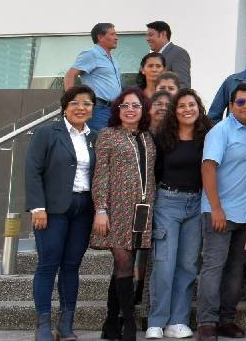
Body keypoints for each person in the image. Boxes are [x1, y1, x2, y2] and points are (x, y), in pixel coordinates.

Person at [26, 86, 99, 341]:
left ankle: (65, 324)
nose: (81, 108)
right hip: (52, 210)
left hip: (83, 210)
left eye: (87, 104)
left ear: (93, 109)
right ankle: (43, 325)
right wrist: (38, 207)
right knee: (48, 265)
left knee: (71, 266)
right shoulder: (48, 132)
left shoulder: (94, 137)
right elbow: (32, 170)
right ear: (65, 107)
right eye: (75, 103)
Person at [196, 84, 246, 341]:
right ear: (231, 106)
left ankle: (226, 319)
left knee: (236, 269)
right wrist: (215, 208)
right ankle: (206, 322)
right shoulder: (220, 132)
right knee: (214, 267)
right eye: (240, 102)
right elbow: (208, 169)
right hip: (219, 212)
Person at [90, 87, 157, 341]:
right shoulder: (107, 135)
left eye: (136, 105)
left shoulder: (147, 137)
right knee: (124, 262)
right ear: (118, 109)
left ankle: (110, 322)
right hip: (115, 209)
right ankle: (128, 323)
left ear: (143, 110)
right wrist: (101, 209)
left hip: (142, 209)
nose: (130, 110)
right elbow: (101, 174)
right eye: (125, 105)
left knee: (123, 265)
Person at [147, 89, 210, 340]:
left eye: (191, 105)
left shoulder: (207, 136)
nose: (187, 109)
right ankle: (156, 320)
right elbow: (155, 171)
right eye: (182, 105)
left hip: (196, 203)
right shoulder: (163, 137)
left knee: (187, 265)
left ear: (199, 107)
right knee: (164, 263)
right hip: (167, 202)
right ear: (175, 110)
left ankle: (178, 320)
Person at [64, 23, 122, 131]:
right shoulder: (91, 54)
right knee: (98, 143)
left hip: (114, 109)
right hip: (98, 109)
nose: (116, 37)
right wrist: (71, 102)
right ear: (100, 37)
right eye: (112, 34)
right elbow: (70, 75)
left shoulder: (112, 59)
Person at [146, 21, 192, 89]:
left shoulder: (178, 53)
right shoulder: (153, 57)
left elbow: (183, 85)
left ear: (163, 34)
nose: (147, 39)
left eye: (151, 35)